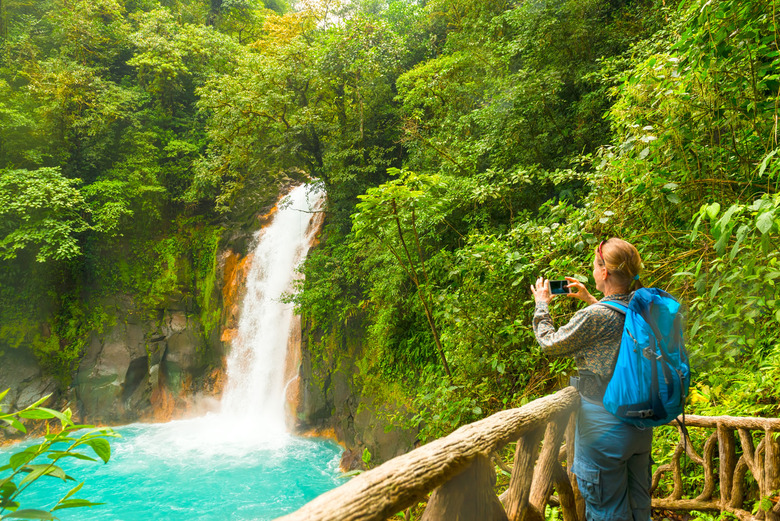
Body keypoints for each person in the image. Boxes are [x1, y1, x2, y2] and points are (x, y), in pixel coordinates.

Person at [530, 238, 652, 521]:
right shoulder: (640, 305)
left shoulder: (596, 316)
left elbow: (550, 343)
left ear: (605, 272)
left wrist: (541, 305)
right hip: (641, 423)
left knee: (607, 511)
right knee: (639, 507)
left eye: (595, 266)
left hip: (603, 425)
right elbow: (618, 327)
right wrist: (591, 300)